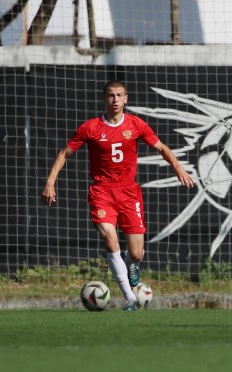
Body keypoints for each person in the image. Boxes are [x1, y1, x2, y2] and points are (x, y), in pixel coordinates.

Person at [42, 80, 194, 310]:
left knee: (137, 253)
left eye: (119, 95)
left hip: (129, 192)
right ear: (105, 99)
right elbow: (64, 153)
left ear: (126, 99)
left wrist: (179, 169)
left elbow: (162, 148)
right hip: (101, 191)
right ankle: (130, 298)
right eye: (111, 95)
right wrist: (50, 182)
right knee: (110, 239)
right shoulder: (90, 127)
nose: (115, 100)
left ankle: (131, 263)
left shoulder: (136, 125)